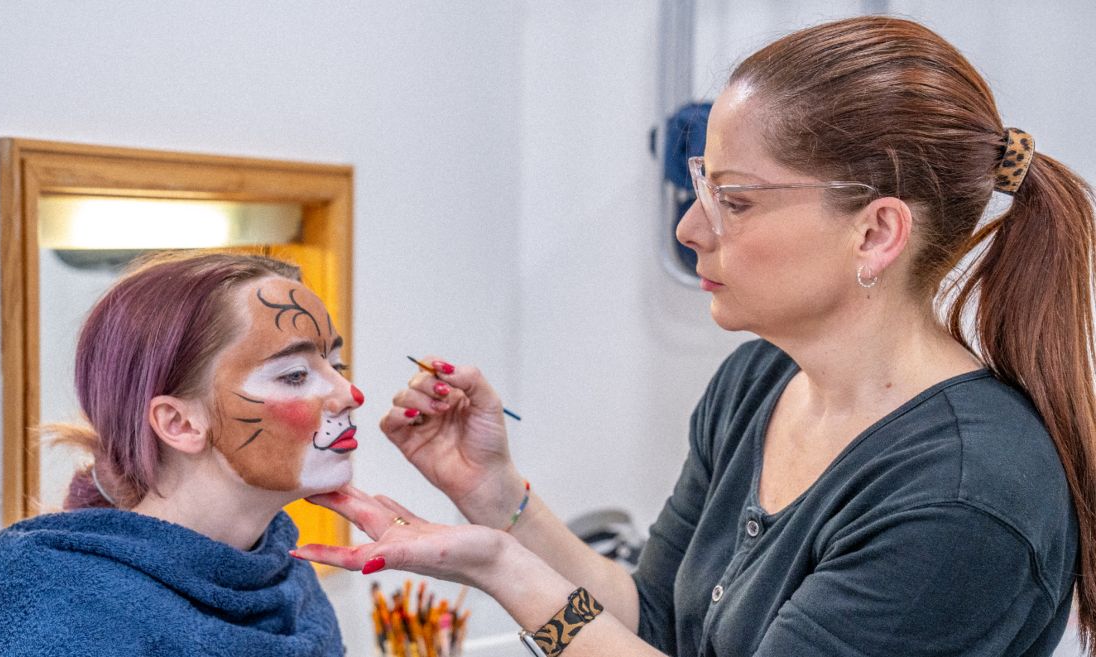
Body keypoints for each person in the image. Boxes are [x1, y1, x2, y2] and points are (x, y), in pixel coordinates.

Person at [292, 16, 1096, 657]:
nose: (689, 227)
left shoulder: (967, 494)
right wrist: (501, 503)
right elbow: (654, 621)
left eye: (735, 201)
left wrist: (503, 570)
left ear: (876, 232)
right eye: (701, 187)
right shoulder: (756, 383)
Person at [0, 252, 362, 656]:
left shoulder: (293, 587)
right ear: (179, 423)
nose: (350, 394)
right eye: (294, 376)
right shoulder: (36, 600)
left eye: (336, 368)